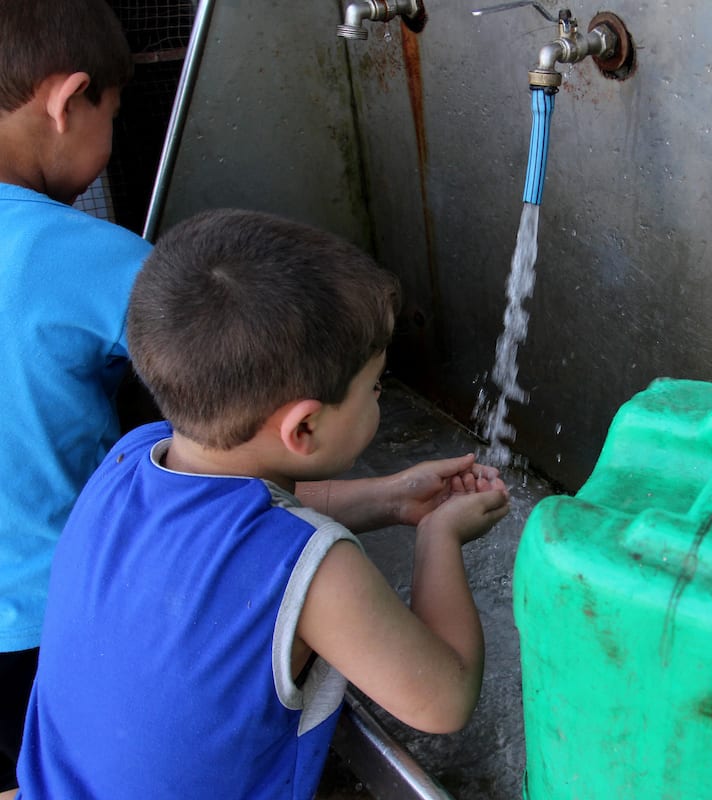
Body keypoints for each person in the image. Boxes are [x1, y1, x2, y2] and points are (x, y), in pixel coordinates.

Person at [16, 208, 511, 799]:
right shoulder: (319, 570)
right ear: (303, 429)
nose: (380, 396)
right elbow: (445, 698)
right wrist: (439, 539)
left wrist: (391, 498)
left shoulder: (132, 457)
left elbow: (240, 516)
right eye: (375, 386)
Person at [0, 0, 147, 790]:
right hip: (51, 617)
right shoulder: (86, 253)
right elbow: (238, 367)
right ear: (68, 100)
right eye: (114, 114)